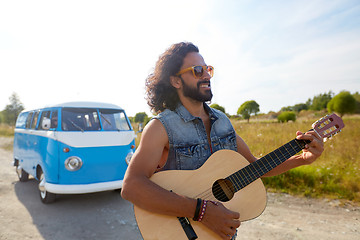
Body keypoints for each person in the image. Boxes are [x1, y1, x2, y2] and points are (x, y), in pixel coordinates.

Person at [121, 42, 324, 240]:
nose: (207, 75)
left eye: (208, 69)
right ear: (176, 81)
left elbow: (254, 167)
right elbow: (132, 186)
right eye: (197, 70)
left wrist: (302, 159)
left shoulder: (223, 122)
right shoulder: (161, 127)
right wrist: (201, 211)